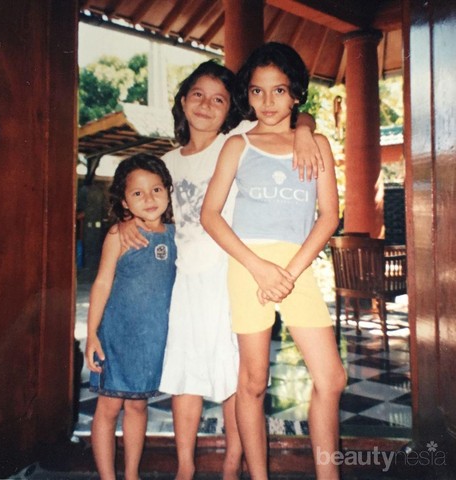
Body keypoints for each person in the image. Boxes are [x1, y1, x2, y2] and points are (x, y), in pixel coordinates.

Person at [119, 60, 322, 480]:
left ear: (231, 108)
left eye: (218, 99)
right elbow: (140, 200)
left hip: (230, 272)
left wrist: (304, 129)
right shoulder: (165, 163)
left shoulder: (236, 141)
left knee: (236, 376)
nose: (206, 105)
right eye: (198, 95)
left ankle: (232, 465)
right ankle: (186, 467)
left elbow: (290, 114)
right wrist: (125, 222)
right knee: (185, 374)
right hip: (183, 281)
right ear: (182, 101)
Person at [200, 42, 347, 480]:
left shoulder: (315, 143)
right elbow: (210, 215)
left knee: (332, 378)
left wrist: (290, 272)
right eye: (257, 91)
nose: (267, 101)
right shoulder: (238, 145)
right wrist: (259, 268)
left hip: (297, 267)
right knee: (253, 381)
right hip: (249, 268)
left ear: (296, 93)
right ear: (247, 94)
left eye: (279, 90)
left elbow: (329, 216)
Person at [85, 153, 177, 480]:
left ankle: (132, 474)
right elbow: (102, 283)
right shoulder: (119, 235)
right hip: (116, 337)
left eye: (156, 189)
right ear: (124, 202)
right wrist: (91, 334)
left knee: (138, 405)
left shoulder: (175, 235)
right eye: (138, 193)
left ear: (168, 192)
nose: (149, 199)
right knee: (109, 407)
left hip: (150, 340)